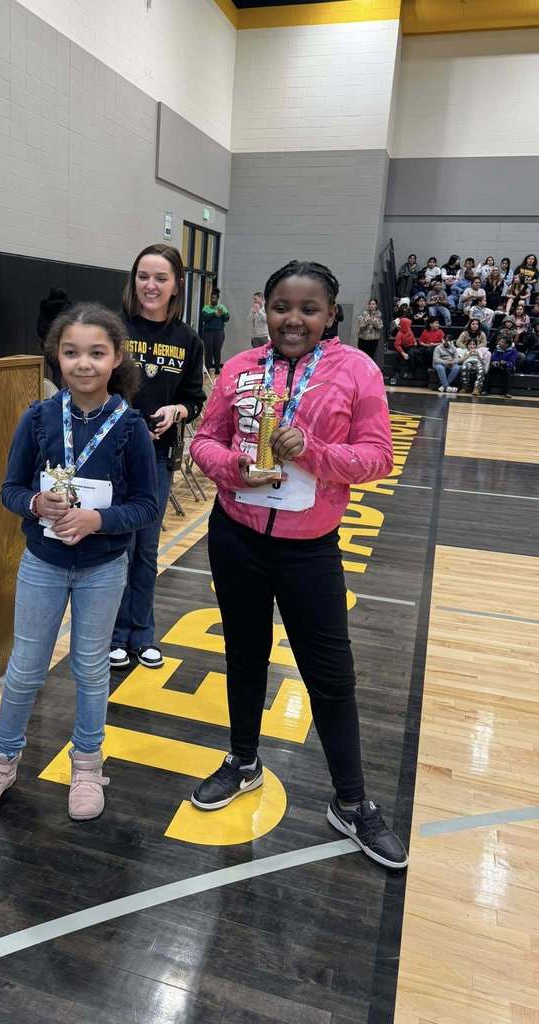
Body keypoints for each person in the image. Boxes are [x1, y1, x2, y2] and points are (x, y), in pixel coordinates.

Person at [188, 259, 408, 871]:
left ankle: (353, 800)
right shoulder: (237, 369)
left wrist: (314, 451)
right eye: (283, 307)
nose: (294, 319)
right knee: (243, 655)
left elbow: (377, 457)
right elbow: (205, 441)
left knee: (331, 675)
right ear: (265, 309)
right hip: (237, 539)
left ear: (331, 315)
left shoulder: (356, 371)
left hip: (310, 550)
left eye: (309, 309)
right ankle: (242, 760)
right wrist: (232, 467)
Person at [0, 304, 159, 822]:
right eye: (71, 352)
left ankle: (87, 766)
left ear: (116, 358)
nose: (84, 363)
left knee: (91, 670)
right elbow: (9, 488)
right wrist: (33, 504)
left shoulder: (130, 426)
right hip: (43, 563)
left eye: (96, 353)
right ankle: (0, 763)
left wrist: (98, 520)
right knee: (24, 669)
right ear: (56, 357)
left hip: (102, 567)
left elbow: (147, 506)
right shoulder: (38, 418)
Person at [110, 243, 205, 670]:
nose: (150, 285)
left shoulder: (188, 339)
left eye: (160, 278)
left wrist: (177, 411)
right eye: (143, 276)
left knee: (146, 549)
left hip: (158, 459)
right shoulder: (113, 329)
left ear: (176, 285)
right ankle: (112, 635)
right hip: (110, 458)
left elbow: (194, 398)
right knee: (117, 548)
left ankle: (142, 633)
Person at [36, 287, 72, 388]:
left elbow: (39, 329)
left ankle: (58, 392)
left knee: (56, 370)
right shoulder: (68, 309)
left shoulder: (45, 309)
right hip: (65, 344)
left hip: (49, 345)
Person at [199, 288, 231, 375]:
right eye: (211, 298)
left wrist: (222, 314)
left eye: (214, 298)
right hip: (208, 333)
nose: (212, 299)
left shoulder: (222, 307)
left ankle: (217, 369)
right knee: (208, 351)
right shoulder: (206, 307)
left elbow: (227, 318)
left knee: (217, 350)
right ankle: (207, 368)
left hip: (219, 332)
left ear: (217, 298)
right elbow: (204, 317)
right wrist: (214, 314)